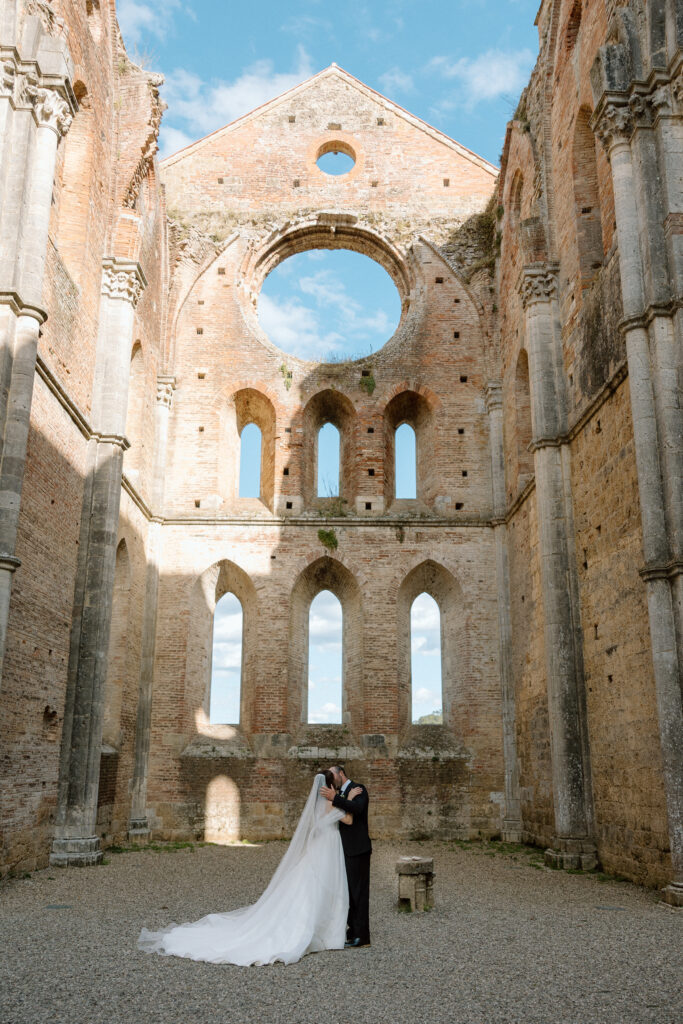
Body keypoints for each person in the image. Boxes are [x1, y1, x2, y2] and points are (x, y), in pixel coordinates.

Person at [137, 771, 361, 966]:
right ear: (331, 786)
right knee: (322, 887)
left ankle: (320, 927)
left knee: (310, 886)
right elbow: (349, 821)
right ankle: (324, 931)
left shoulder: (317, 804)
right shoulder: (332, 802)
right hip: (327, 848)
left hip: (319, 848)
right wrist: (348, 798)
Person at [320, 764, 371, 948]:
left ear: (341, 773)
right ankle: (352, 931)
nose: (333, 780)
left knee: (359, 894)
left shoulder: (359, 789)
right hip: (343, 851)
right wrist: (337, 798)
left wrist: (336, 799)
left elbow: (356, 810)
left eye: (334, 776)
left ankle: (363, 937)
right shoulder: (340, 794)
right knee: (347, 893)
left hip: (358, 849)